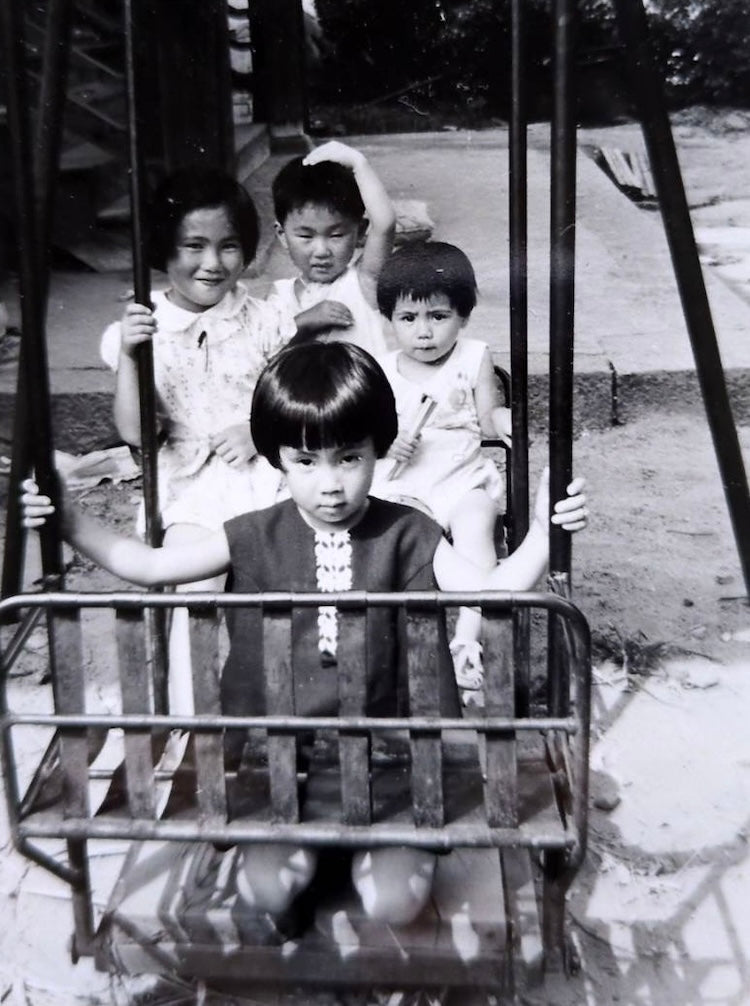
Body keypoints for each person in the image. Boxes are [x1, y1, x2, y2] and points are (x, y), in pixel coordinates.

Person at [21, 341, 587, 932]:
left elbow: (493, 594)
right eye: (306, 462)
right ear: (277, 461)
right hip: (279, 763)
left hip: (392, 761)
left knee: (394, 904)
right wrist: (69, 519)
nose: (331, 485)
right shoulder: (251, 535)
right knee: (265, 891)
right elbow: (149, 567)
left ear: (378, 451)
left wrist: (545, 532)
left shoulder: (408, 532)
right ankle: (315, 859)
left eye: (349, 458)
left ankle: (360, 856)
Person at [99, 167, 294, 712]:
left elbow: (291, 401)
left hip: (263, 473)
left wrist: (259, 431)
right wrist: (132, 358)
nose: (212, 263)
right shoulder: (140, 326)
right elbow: (134, 432)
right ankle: (193, 717)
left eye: (228, 246)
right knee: (193, 586)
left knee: (278, 588)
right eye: (194, 246)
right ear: (166, 247)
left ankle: (278, 713)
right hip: (188, 480)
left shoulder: (264, 319)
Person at [371, 241, 514, 702]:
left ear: (464, 316)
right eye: (408, 319)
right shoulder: (384, 367)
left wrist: (507, 422)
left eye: (438, 316)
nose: (424, 332)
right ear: (390, 320)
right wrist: (386, 439)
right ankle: (397, 650)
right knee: (400, 540)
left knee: (476, 525)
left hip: (462, 475)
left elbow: (489, 415)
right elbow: (366, 434)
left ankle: (467, 638)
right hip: (405, 481)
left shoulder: (473, 355)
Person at [268, 140, 395, 354]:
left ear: (361, 231)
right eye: (305, 236)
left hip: (363, 388)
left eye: (336, 235)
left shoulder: (363, 281)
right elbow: (266, 347)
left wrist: (359, 164)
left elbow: (385, 224)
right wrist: (306, 321)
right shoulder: (280, 295)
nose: (321, 251)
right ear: (282, 235)